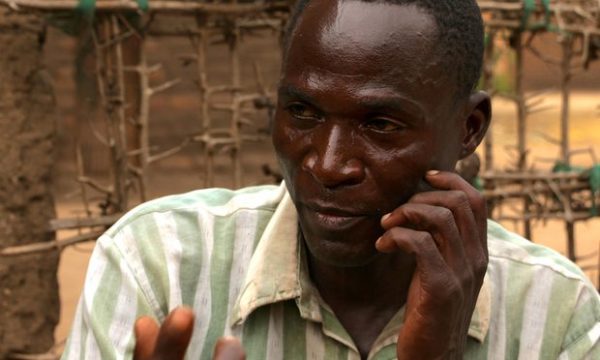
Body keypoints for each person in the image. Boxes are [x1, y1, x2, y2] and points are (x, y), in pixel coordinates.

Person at [62, 0, 600, 359]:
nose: (327, 163)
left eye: (381, 125)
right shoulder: (158, 266)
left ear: (468, 128)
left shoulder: (553, 315)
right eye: (303, 112)